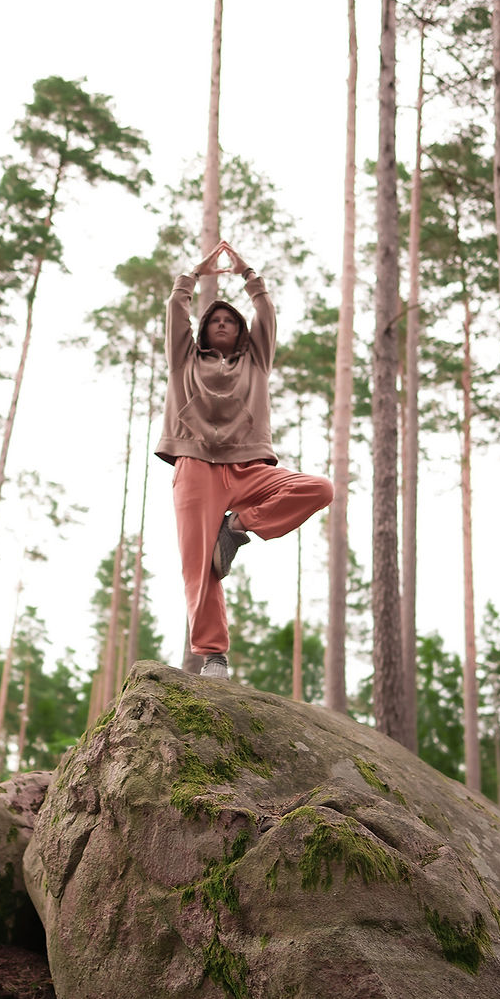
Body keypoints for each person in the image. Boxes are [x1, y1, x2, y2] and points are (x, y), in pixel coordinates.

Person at [156, 240, 334, 679]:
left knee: (320, 488)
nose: (221, 324)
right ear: (202, 330)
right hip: (195, 468)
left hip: (250, 468)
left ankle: (235, 529)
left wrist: (250, 275)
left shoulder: (256, 362)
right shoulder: (184, 361)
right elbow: (176, 312)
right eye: (213, 320)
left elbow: (267, 315)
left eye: (229, 321)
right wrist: (192, 276)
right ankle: (213, 656)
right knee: (200, 567)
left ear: (241, 331)